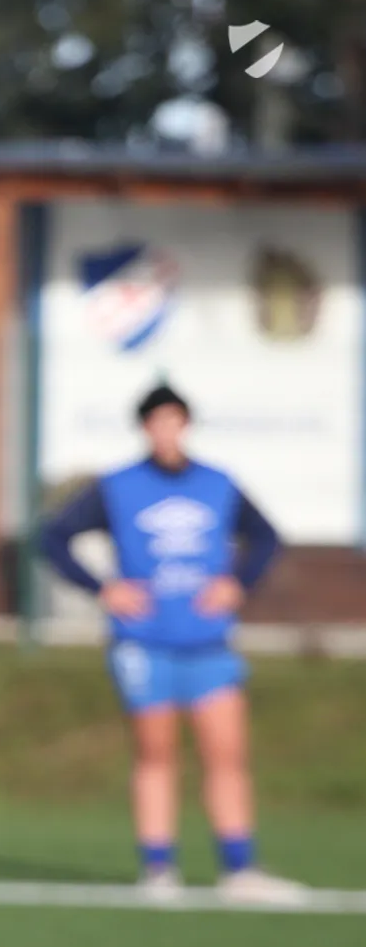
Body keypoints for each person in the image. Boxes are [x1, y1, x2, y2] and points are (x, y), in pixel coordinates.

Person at [39, 382, 305, 905]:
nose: (166, 431)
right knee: (156, 755)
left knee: (226, 754)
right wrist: (104, 588)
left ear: (186, 425)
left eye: (175, 421)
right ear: (145, 428)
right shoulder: (118, 486)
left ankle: (239, 868)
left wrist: (238, 582)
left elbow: (266, 537)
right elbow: (53, 536)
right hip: (144, 643)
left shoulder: (217, 483)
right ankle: (158, 869)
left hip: (207, 643)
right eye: (156, 422)